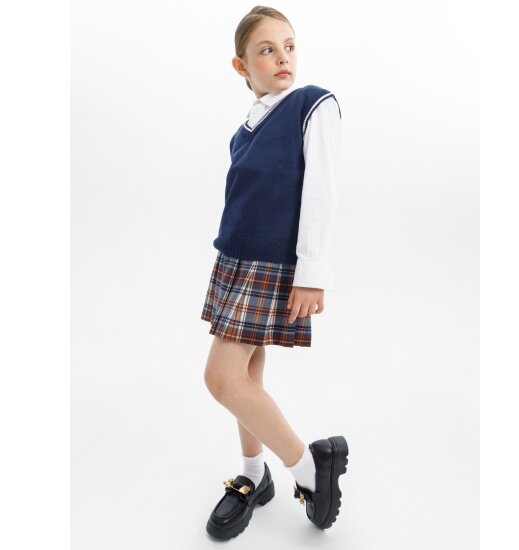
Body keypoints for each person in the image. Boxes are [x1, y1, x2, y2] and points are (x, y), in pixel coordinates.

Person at [200, 6, 348, 540]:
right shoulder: (245, 129)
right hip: (236, 258)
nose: (283, 57)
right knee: (247, 375)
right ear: (241, 66)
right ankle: (252, 474)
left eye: (288, 46)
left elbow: (322, 190)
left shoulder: (313, 104)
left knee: (221, 379)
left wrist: (312, 270)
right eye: (267, 50)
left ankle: (309, 469)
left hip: (272, 262)